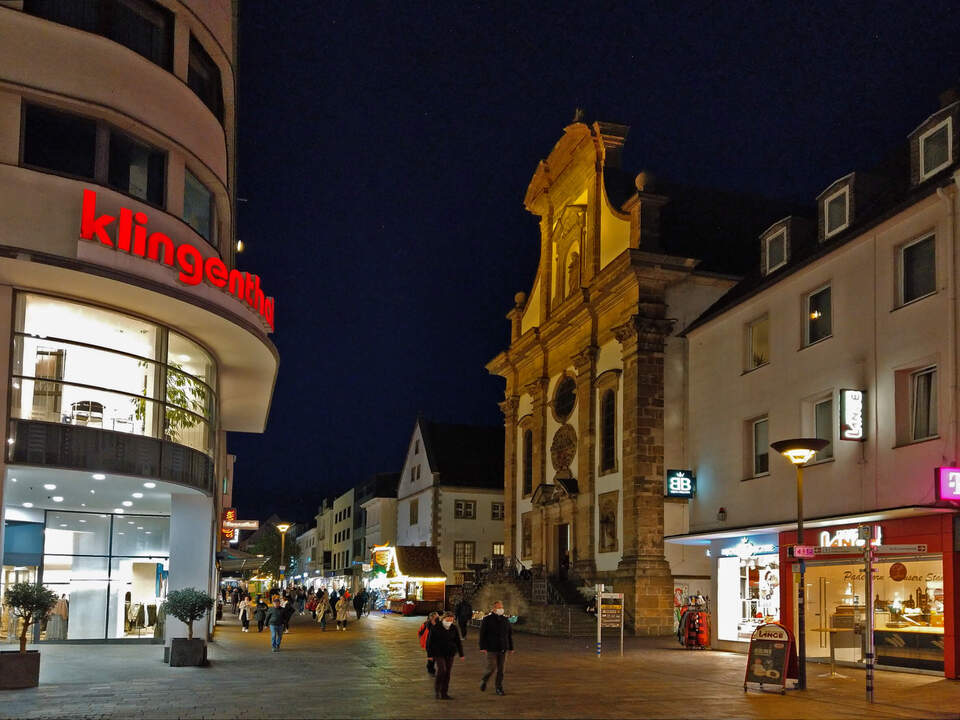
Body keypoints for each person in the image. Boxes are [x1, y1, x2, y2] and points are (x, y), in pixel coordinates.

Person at [478, 601, 514, 696]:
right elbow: (482, 634)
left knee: (501, 670)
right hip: (491, 647)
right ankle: (484, 680)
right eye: (498, 607)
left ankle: (499, 688)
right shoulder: (487, 619)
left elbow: (509, 634)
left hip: (503, 647)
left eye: (501, 607)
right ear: (494, 609)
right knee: (492, 667)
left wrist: (511, 647)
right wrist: (482, 646)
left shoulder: (505, 620)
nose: (501, 609)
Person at [426, 611, 464, 700]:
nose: (450, 621)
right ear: (443, 618)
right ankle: (437, 689)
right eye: (448, 619)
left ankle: (444, 693)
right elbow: (430, 642)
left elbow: (457, 641)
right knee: (442, 670)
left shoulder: (453, 628)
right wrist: (429, 654)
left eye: (452, 620)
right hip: (438, 653)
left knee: (447, 673)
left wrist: (461, 653)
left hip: (450, 653)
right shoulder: (436, 627)